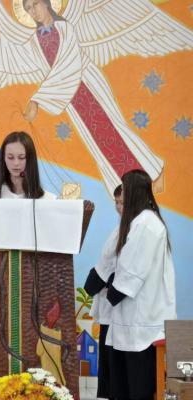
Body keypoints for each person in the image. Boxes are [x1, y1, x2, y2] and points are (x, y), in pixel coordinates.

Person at [0, 0, 166, 195]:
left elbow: (67, 63)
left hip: (88, 86)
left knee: (114, 130)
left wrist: (38, 99)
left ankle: (153, 171)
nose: (32, 12)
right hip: (72, 99)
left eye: (35, 4)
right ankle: (128, 185)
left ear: (47, 4)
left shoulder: (65, 28)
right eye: (28, 9)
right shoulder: (34, 41)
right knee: (97, 142)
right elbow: (8, 55)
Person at [105, 170, 176, 399]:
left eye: (124, 190)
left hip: (143, 321)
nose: (122, 195)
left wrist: (113, 291)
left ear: (134, 191)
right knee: (126, 386)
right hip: (133, 318)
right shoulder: (142, 220)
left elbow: (132, 269)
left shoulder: (146, 223)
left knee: (138, 387)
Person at [83, 184, 122, 400]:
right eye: (116, 202)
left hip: (119, 302)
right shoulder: (120, 227)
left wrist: (95, 284)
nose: (118, 207)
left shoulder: (136, 228)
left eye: (123, 202)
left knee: (114, 364)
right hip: (109, 302)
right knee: (106, 363)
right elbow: (104, 261)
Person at [0, 131, 56, 199]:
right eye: (10, 157)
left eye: (21, 157)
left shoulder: (48, 200)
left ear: (30, 159)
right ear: (3, 158)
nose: (16, 163)